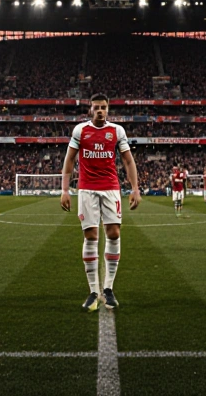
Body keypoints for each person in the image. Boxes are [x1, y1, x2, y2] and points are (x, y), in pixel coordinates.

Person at [60, 93, 141, 312]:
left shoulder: (116, 131)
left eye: (103, 107)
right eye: (96, 107)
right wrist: (65, 189)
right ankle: (93, 290)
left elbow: (128, 160)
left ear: (108, 109)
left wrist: (135, 188)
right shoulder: (80, 130)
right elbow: (69, 159)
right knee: (91, 236)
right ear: (90, 109)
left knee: (114, 233)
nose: (100, 111)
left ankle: (108, 288)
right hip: (86, 189)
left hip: (111, 188)